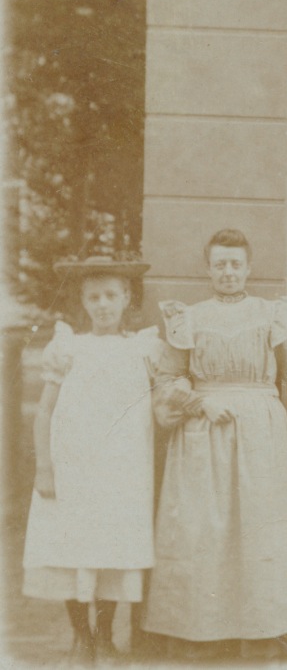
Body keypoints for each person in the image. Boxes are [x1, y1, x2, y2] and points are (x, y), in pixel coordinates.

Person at [141, 228, 287, 660]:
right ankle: (202, 635)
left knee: (261, 533)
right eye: (220, 264)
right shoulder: (188, 318)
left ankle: (265, 634)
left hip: (262, 435)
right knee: (205, 532)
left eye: (235, 264)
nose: (228, 272)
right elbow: (166, 379)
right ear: (208, 269)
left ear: (248, 268)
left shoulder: (272, 315)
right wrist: (198, 402)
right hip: (204, 436)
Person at [23, 256, 158, 664]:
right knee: (74, 549)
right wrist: (44, 468)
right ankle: (81, 638)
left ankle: (105, 639)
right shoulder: (68, 347)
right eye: (94, 297)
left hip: (121, 471)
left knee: (111, 551)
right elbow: (45, 411)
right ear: (83, 301)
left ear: (126, 298)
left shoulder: (141, 349)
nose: (103, 305)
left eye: (111, 296)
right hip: (74, 470)